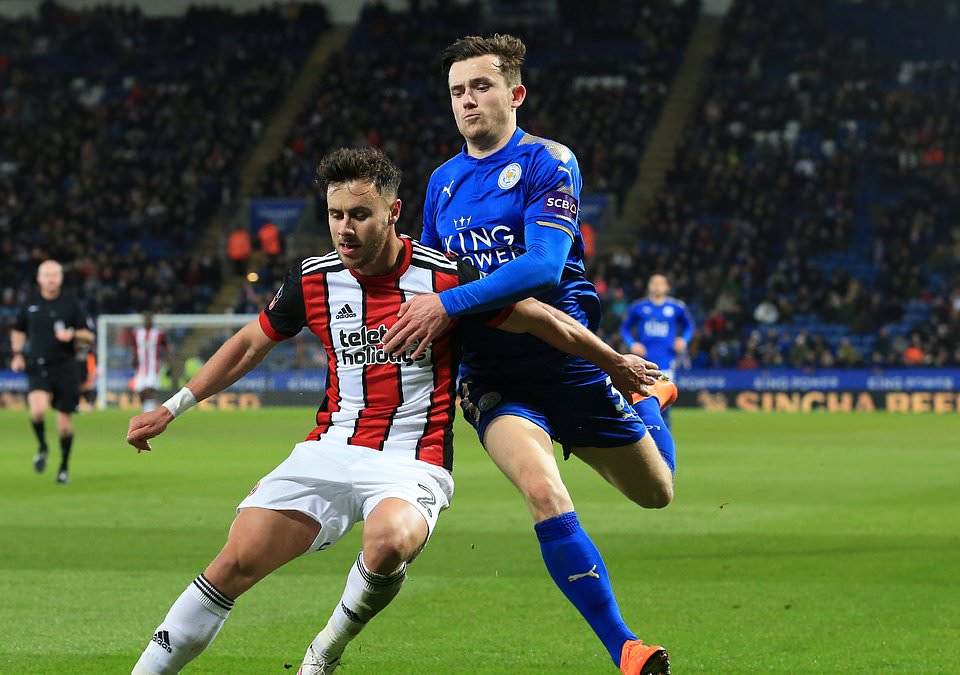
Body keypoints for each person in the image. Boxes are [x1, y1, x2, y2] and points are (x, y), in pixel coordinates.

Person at [124, 148, 660, 675]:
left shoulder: (446, 279)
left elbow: (542, 319)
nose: (345, 229)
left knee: (387, 543)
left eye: (360, 214)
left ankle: (323, 653)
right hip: (329, 449)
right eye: (336, 215)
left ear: (393, 212)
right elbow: (249, 344)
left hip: (411, 459)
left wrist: (612, 362)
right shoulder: (312, 279)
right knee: (231, 565)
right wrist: (173, 408)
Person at [382, 35, 676, 674]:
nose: (468, 101)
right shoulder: (443, 181)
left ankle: (651, 401)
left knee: (658, 494)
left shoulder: (549, 161)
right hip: (494, 378)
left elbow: (543, 268)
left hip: (569, 359)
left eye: (481, 87)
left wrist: (451, 307)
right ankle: (625, 647)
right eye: (458, 91)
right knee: (546, 491)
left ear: (514, 93)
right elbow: (433, 278)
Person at [10, 260, 94, 485]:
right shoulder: (30, 304)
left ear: (61, 278)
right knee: (37, 411)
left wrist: (74, 334)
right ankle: (43, 447)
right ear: (39, 279)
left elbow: (89, 335)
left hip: (65, 366)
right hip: (38, 365)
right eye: (46, 275)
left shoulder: (71, 303)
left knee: (64, 425)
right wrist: (17, 353)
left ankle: (64, 467)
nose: (51, 279)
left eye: (55, 275)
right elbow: (18, 330)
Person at [620, 274, 695, 382]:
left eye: (660, 284)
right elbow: (625, 328)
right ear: (648, 286)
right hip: (644, 359)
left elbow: (689, 326)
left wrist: (684, 340)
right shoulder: (638, 307)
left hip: (668, 358)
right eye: (654, 283)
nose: (657, 287)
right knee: (645, 394)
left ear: (667, 287)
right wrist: (632, 344)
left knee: (665, 393)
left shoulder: (676, 307)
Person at [132, 313, 169, 412]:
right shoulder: (137, 333)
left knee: (150, 389)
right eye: (145, 320)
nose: (147, 321)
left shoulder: (158, 333)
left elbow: (166, 347)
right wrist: (134, 359)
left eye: (149, 320)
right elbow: (134, 348)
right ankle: (146, 409)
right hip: (141, 367)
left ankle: (150, 411)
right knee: (141, 391)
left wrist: (168, 360)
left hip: (154, 366)